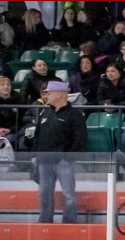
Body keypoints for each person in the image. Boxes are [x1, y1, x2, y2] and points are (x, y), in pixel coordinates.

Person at [31, 81, 84, 224]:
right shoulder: (46, 111)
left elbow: (80, 138)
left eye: (49, 92)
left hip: (63, 160)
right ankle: (45, 221)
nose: (46, 95)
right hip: (44, 159)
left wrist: (69, 155)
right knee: (44, 193)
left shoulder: (74, 114)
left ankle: (69, 222)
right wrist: (35, 154)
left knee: (68, 194)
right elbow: (38, 133)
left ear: (60, 94)